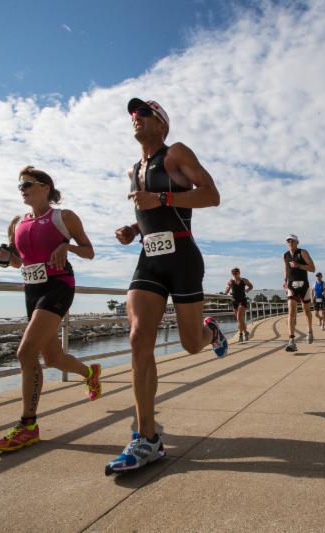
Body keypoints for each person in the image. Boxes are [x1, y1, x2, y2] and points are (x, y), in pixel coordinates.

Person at [106, 98, 228, 475]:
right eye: (133, 114)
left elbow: (211, 195)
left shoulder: (176, 153)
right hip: (149, 258)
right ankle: (147, 439)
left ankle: (210, 332)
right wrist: (133, 229)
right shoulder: (133, 169)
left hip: (182, 257)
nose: (136, 118)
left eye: (144, 113)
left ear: (161, 124)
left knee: (191, 344)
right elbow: (148, 212)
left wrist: (161, 197)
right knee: (138, 338)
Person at [0, 166, 100, 452]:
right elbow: (18, 262)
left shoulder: (64, 217)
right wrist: (6, 257)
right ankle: (90, 373)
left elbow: (89, 251)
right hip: (32, 289)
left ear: (45, 187)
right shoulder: (16, 223)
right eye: (20, 185)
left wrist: (68, 248)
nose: (22, 189)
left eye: (27, 184)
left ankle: (28, 425)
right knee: (52, 358)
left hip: (58, 286)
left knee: (25, 353)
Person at [282, 234, 315, 352]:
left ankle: (310, 331)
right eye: (288, 241)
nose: (290, 243)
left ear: (297, 242)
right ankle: (291, 341)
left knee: (307, 311)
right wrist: (285, 281)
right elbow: (286, 268)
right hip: (292, 286)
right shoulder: (285, 255)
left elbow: (312, 268)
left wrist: (299, 265)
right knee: (291, 311)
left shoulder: (303, 252)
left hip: (304, 286)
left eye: (292, 241)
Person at [224, 267, 253, 342]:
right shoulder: (231, 281)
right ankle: (246, 332)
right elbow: (227, 289)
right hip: (234, 301)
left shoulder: (244, 280)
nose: (235, 274)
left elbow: (251, 286)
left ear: (239, 273)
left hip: (242, 300)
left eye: (236, 273)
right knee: (239, 319)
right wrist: (226, 291)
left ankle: (240, 334)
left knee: (239, 317)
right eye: (233, 273)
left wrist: (247, 289)